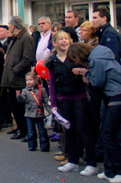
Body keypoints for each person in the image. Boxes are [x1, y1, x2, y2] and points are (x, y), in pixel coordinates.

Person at [71, 43, 121, 182]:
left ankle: (120, 172)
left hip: (115, 96)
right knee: (110, 134)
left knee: (107, 135)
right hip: (116, 96)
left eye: (75, 59)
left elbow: (97, 82)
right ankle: (110, 170)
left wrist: (86, 73)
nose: (76, 62)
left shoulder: (95, 60)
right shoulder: (102, 55)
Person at [45, 31, 97, 175]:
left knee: (84, 130)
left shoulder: (76, 57)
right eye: (60, 39)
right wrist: (53, 102)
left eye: (66, 39)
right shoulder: (52, 61)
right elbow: (52, 84)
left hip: (79, 97)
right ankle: (73, 160)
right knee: (69, 131)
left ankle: (91, 163)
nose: (64, 41)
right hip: (63, 99)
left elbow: (88, 72)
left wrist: (81, 72)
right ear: (55, 43)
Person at [1, 16, 35, 141]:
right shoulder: (15, 38)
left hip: (18, 79)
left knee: (20, 108)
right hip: (11, 80)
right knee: (15, 107)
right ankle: (21, 129)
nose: (8, 26)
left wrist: (14, 70)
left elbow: (28, 59)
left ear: (14, 25)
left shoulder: (26, 38)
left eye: (9, 24)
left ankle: (26, 131)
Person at [16, 72, 50, 152]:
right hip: (29, 113)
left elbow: (46, 101)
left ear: (35, 80)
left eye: (30, 80)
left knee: (42, 131)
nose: (28, 82)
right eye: (27, 80)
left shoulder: (42, 89)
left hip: (39, 113)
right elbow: (22, 100)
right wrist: (19, 95)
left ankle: (44, 146)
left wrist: (50, 111)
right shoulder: (25, 91)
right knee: (31, 131)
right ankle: (32, 145)